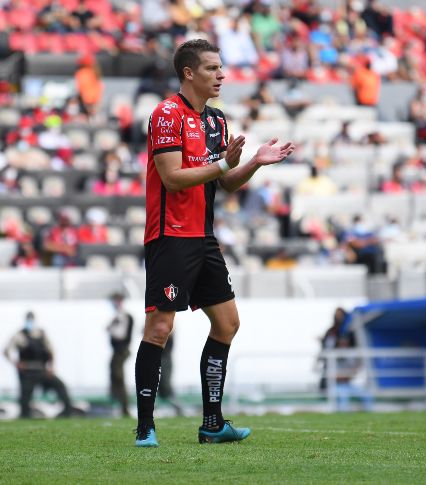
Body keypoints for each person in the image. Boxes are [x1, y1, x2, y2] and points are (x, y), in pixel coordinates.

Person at [135, 39, 295, 447]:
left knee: (227, 324)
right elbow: (172, 177)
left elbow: (223, 182)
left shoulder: (217, 120)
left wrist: (254, 162)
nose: (221, 75)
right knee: (159, 327)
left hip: (203, 237)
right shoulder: (166, 113)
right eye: (212, 68)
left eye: (221, 68)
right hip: (170, 235)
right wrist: (224, 162)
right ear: (189, 73)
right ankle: (145, 427)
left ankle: (212, 423)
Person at [4, 312, 76, 418]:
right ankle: (25, 415)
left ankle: (67, 411)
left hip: (42, 369)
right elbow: (6, 351)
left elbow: (51, 351)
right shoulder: (20, 335)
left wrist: (51, 367)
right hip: (27, 372)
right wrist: (17, 364)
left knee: (60, 385)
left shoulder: (42, 334)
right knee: (25, 396)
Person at [106, 292, 134, 417]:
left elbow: (121, 334)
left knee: (118, 377)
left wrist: (110, 329)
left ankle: (124, 406)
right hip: (118, 351)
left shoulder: (123, 316)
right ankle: (119, 403)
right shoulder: (118, 316)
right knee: (115, 376)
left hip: (121, 350)